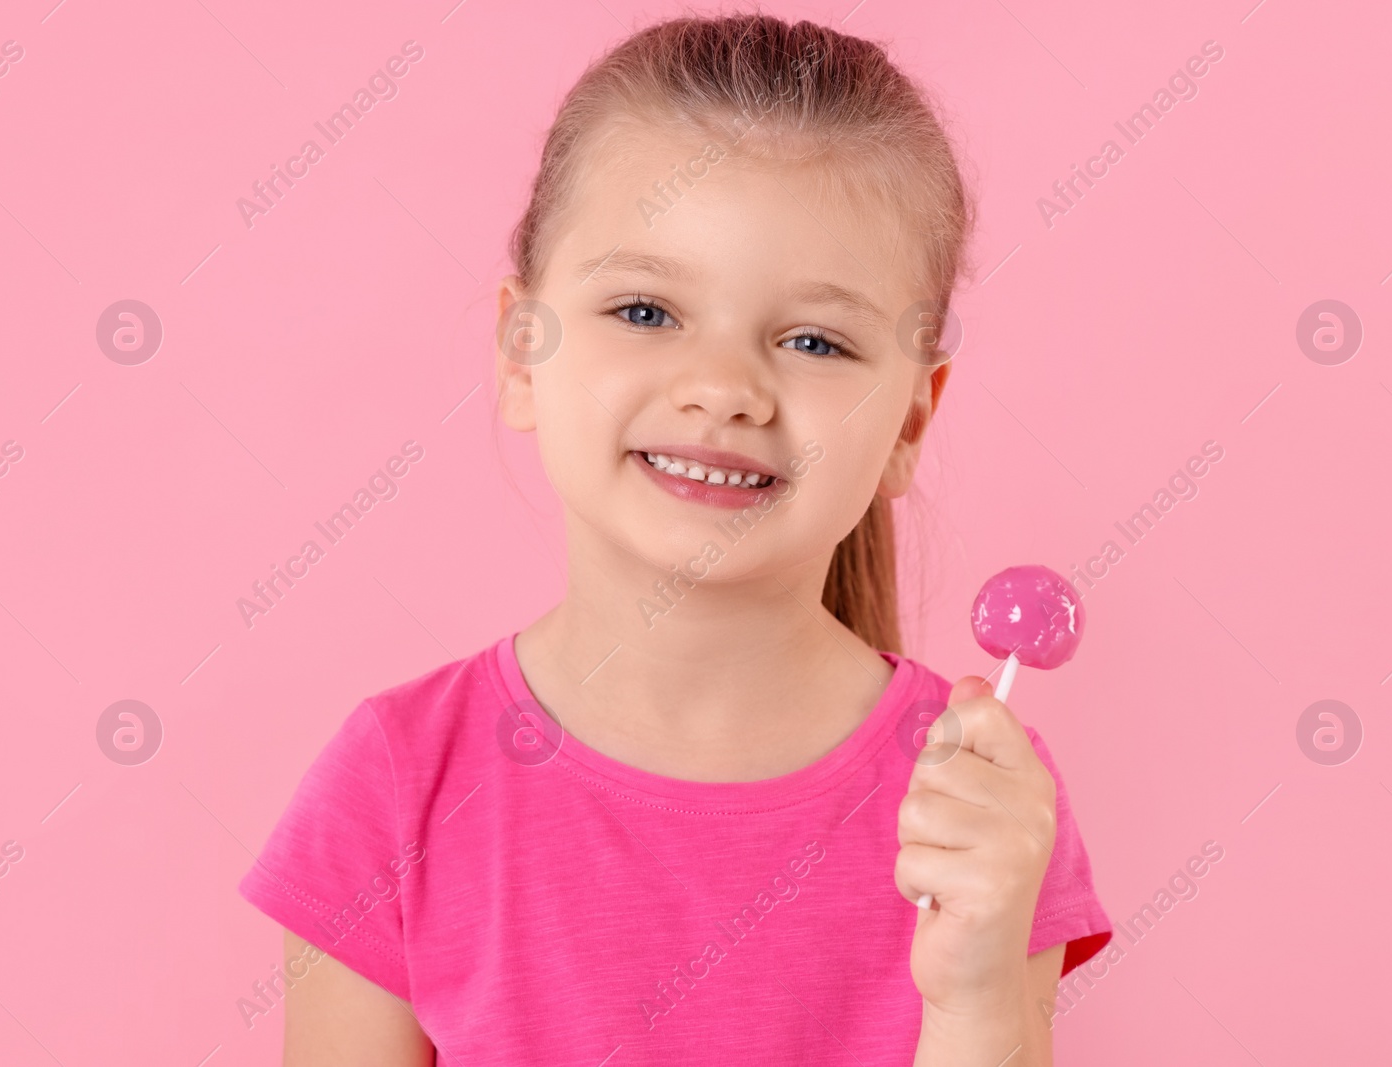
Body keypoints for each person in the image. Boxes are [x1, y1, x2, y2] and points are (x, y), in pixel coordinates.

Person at [238, 12, 1112, 1064]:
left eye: (812, 339)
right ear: (523, 352)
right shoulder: (395, 783)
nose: (723, 391)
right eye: (646, 310)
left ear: (909, 421)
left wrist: (976, 1003)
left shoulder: (973, 795)